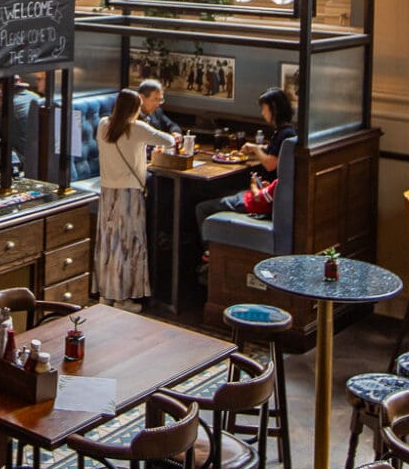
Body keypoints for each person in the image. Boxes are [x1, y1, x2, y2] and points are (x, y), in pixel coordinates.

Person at [95, 86, 176, 306]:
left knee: (109, 245)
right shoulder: (137, 128)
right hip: (129, 194)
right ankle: (124, 299)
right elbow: (168, 141)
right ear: (135, 108)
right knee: (129, 245)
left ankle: (106, 294)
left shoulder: (103, 125)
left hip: (107, 192)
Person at [196, 87, 296, 232]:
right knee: (218, 194)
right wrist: (256, 146)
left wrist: (256, 149)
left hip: (264, 202)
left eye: (264, 108)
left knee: (202, 208)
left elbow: (270, 164)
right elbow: (273, 152)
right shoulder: (288, 131)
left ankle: (208, 252)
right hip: (267, 194)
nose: (262, 113)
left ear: (274, 109)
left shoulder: (284, 134)